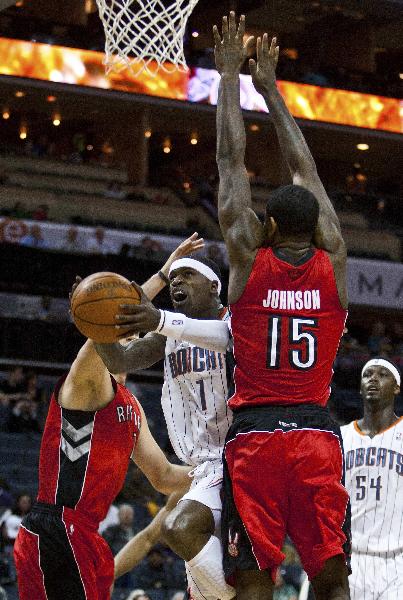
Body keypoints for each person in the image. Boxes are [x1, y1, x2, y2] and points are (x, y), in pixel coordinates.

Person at [213, 12, 350, 600]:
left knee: (252, 583)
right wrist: (271, 88)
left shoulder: (248, 256)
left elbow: (228, 162)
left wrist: (229, 79)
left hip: (256, 440)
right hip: (316, 435)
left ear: (267, 224)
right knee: (331, 576)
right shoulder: (334, 261)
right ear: (315, 226)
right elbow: (305, 168)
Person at [13, 236, 203, 600]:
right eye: (127, 332)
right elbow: (110, 320)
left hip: (87, 534)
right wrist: (163, 274)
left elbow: (163, 477)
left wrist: (216, 473)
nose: (133, 336)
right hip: (57, 526)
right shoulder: (83, 383)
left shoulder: (131, 407)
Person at [94, 255, 235, 600]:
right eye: (173, 277)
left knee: (181, 529)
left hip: (243, 458)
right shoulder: (169, 333)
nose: (176, 282)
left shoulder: (237, 323)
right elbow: (119, 360)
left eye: (187, 275)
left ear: (214, 286)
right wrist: (95, 324)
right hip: (203, 468)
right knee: (200, 580)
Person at [341, 358, 402, 600]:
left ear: (396, 387)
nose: (373, 379)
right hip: (350, 559)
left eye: (382, 374)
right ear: (359, 387)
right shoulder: (341, 437)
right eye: (367, 375)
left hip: (398, 560)